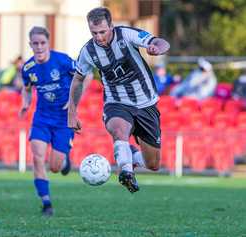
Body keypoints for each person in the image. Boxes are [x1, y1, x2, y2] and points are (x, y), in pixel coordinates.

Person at [67, 7, 170, 193]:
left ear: (111, 26)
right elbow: (78, 80)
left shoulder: (126, 34)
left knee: (153, 164)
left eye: (102, 32)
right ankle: (126, 172)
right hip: (117, 102)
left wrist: (156, 49)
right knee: (118, 128)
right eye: (94, 33)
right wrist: (72, 113)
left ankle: (129, 155)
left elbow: (160, 42)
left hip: (146, 103)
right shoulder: (88, 51)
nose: (99, 37)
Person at [19, 26, 92, 216]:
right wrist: (25, 104)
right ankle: (46, 203)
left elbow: (87, 75)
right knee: (37, 158)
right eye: (35, 43)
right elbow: (26, 89)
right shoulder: (28, 68)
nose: (39, 47)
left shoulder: (62, 60)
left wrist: (74, 100)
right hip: (41, 118)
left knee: (55, 167)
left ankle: (65, 160)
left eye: (42, 43)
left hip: (63, 120)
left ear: (48, 43)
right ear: (30, 45)